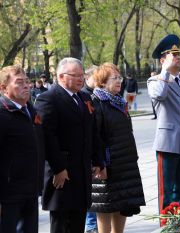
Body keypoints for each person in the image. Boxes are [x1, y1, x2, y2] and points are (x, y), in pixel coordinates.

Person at [35, 57, 104, 233]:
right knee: (61, 221)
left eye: (82, 75)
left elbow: (92, 131)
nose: (81, 79)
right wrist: (58, 168)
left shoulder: (84, 97)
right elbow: (48, 137)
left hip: (81, 169)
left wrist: (98, 160)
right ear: (61, 76)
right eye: (76, 75)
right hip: (62, 171)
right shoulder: (48, 98)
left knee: (78, 219)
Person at [90, 63, 145, 233]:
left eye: (119, 77)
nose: (119, 81)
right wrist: (100, 164)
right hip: (108, 164)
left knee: (123, 204)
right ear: (102, 82)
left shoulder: (119, 101)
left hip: (125, 162)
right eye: (114, 78)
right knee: (106, 206)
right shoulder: (97, 102)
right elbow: (95, 137)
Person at [147, 34, 180, 212]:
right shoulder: (155, 81)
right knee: (166, 189)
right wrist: (166, 72)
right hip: (167, 143)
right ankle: (166, 223)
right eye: (172, 54)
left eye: (178, 54)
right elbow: (159, 95)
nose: (177, 57)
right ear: (163, 60)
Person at [0, 65, 45, 233]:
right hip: (8, 195)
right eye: (19, 82)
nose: (26, 85)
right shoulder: (2, 113)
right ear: (3, 88)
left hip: (30, 191)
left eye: (27, 81)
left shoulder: (30, 110)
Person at [81, 64, 98, 233]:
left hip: (96, 151)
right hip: (87, 153)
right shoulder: (85, 96)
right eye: (96, 76)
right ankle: (91, 225)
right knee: (91, 191)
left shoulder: (96, 94)